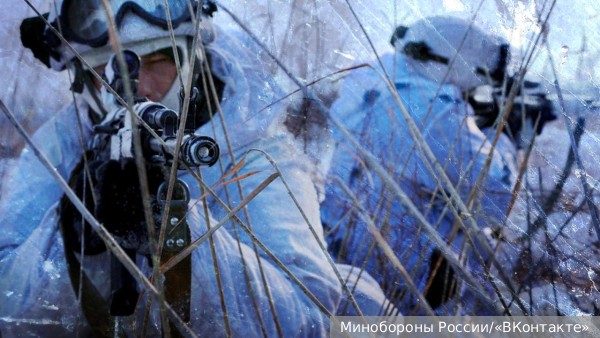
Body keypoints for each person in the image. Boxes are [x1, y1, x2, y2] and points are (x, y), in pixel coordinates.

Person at [0, 1, 387, 336]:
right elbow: (8, 310)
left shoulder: (257, 151)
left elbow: (307, 320)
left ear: (191, 59)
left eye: (158, 61)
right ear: (83, 77)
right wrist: (77, 231)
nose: (142, 87)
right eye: (110, 70)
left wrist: (177, 229)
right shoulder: (62, 146)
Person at [321, 16, 554, 315]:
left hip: (354, 266)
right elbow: (495, 203)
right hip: (411, 290)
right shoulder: (431, 110)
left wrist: (473, 118)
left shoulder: (374, 82)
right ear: (453, 63)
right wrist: (505, 135)